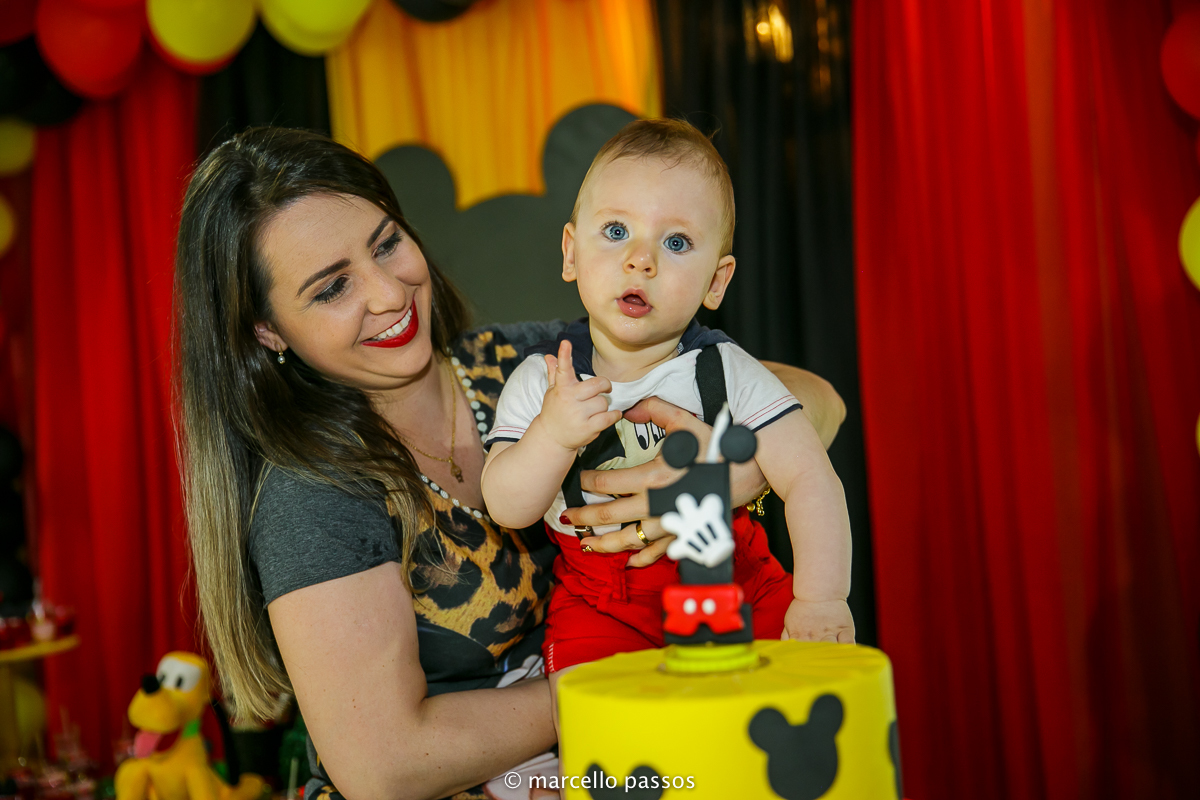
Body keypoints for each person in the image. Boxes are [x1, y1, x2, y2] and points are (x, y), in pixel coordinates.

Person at [176, 127, 846, 800]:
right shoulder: (310, 492)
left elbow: (817, 401)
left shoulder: (528, 362)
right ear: (267, 330)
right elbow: (384, 767)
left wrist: (737, 472)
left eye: (385, 244)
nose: (387, 293)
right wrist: (642, 674)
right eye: (332, 288)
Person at [480, 119, 854, 697]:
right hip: (602, 601)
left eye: (675, 242)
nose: (641, 260)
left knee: (800, 701)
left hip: (735, 581)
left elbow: (811, 477)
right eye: (616, 231)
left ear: (716, 282)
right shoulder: (545, 377)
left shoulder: (726, 370)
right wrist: (550, 437)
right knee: (595, 716)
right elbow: (507, 507)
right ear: (571, 252)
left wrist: (821, 598)